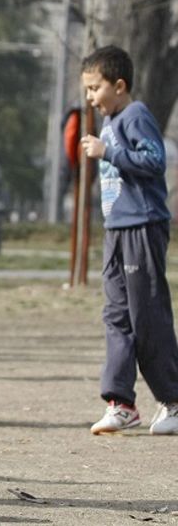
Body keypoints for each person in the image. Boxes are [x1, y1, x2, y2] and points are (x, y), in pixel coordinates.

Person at [78, 45, 178, 436]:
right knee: (116, 315)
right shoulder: (111, 121)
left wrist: (109, 152)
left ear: (119, 85)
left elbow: (154, 161)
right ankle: (121, 403)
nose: (90, 97)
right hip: (116, 230)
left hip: (143, 226)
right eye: (87, 89)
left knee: (148, 316)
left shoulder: (135, 116)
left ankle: (172, 400)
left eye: (94, 88)